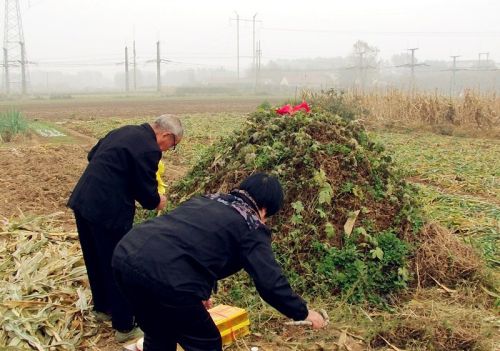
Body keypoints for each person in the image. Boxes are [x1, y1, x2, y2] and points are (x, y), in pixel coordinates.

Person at [112, 173, 326, 351]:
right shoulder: (250, 225)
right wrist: (304, 312)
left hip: (125, 254)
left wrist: (200, 294)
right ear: (265, 209)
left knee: (159, 331)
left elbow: (194, 248)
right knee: (205, 341)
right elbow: (270, 282)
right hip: (166, 275)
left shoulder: (208, 200)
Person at [68, 114, 183, 342]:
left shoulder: (123, 131)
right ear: (166, 135)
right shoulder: (150, 149)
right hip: (108, 213)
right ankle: (124, 326)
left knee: (95, 257)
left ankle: (103, 308)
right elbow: (146, 192)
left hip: (83, 202)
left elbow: (93, 155)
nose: (170, 150)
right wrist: (157, 200)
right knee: (119, 264)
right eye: (174, 145)